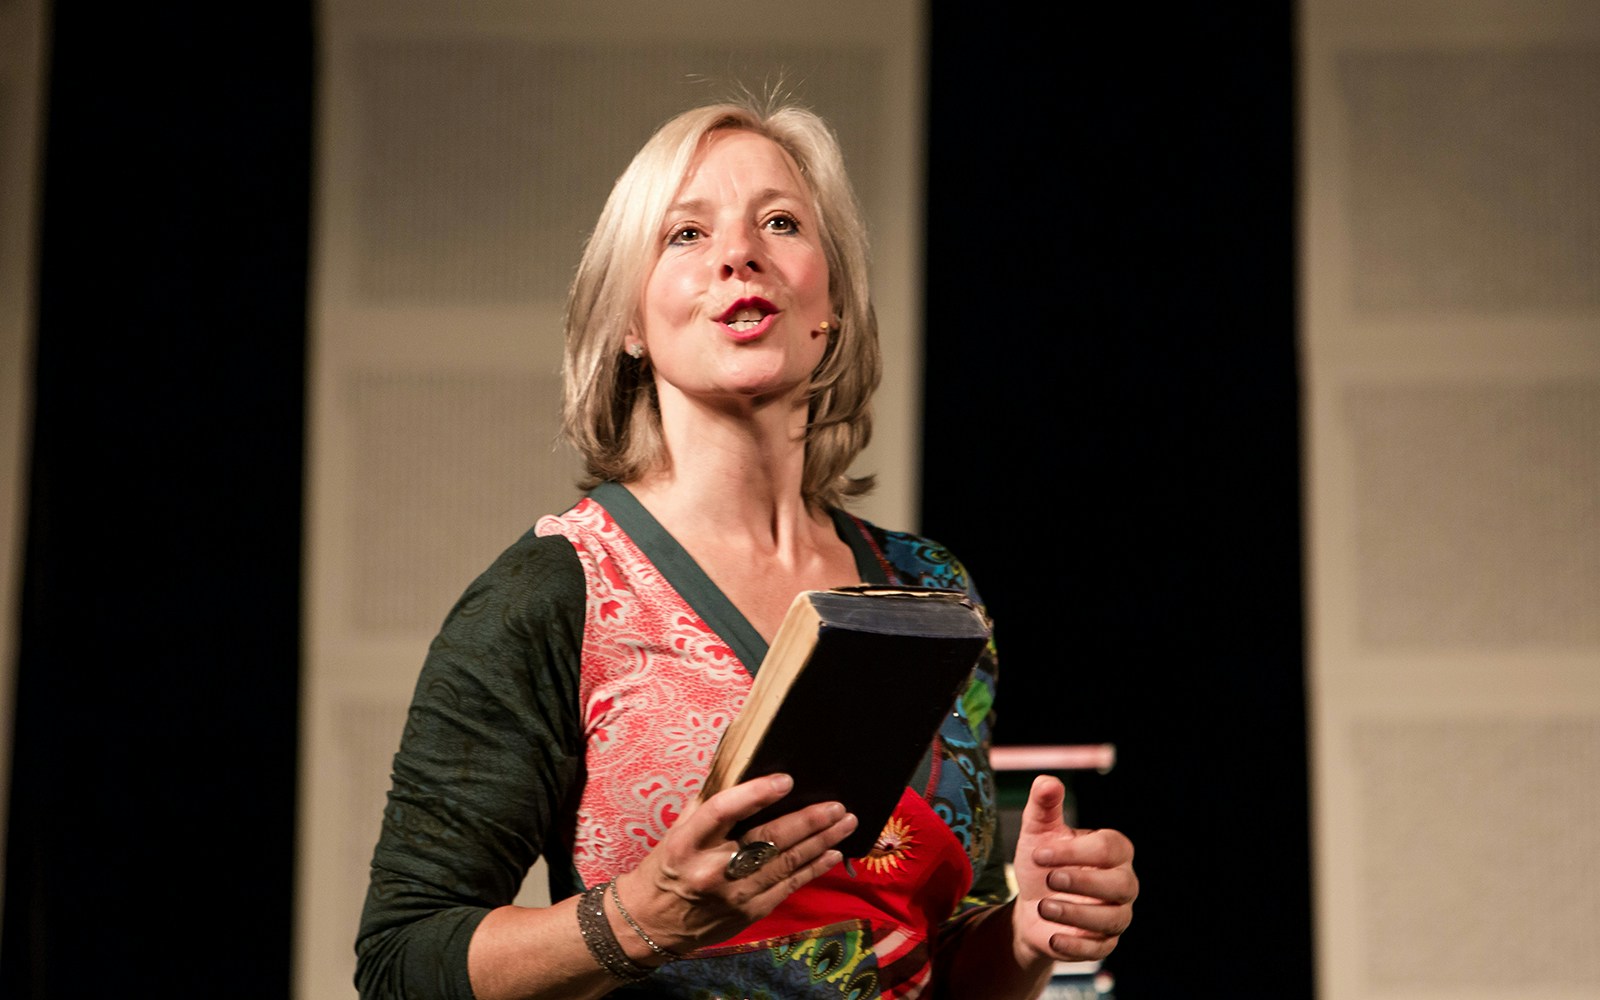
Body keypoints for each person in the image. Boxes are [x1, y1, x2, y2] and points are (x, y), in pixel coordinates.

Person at [355, 98, 1137, 1000]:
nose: (739, 253)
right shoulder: (553, 593)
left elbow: (936, 966)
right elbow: (401, 963)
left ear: (831, 306)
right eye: (685, 233)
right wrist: (640, 917)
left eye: (779, 222)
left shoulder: (932, 591)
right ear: (631, 325)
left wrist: (1029, 937)